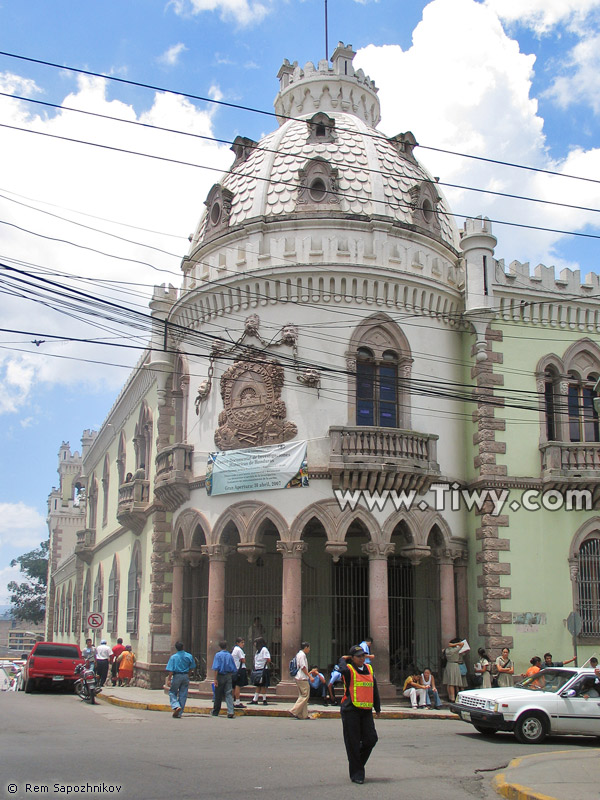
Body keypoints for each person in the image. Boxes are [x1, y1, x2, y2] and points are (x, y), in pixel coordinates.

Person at [338, 645, 381, 785]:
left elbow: (374, 688)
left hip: (366, 710)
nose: (362, 658)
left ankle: (356, 763)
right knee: (353, 742)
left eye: (363, 655)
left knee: (371, 739)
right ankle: (357, 774)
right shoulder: (349, 670)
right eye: (359, 656)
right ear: (352, 658)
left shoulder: (369, 669)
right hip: (351, 710)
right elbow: (342, 668)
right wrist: (343, 659)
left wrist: (378, 707)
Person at [165, 641, 195, 718]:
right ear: (183, 647)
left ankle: (175, 705)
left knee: (172, 692)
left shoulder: (173, 657)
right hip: (185, 676)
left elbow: (171, 670)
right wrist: (188, 674)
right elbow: (192, 667)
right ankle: (180, 712)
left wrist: (169, 679)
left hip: (177, 675)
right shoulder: (189, 656)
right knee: (183, 694)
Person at [211, 640, 237, 718]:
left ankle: (216, 711)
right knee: (228, 693)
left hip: (220, 675)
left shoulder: (218, 655)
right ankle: (230, 711)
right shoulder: (229, 655)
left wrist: (215, 679)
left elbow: (216, 668)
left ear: (220, 647)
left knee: (218, 694)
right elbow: (234, 668)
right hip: (228, 675)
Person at [289, 642, 311, 719]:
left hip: (299, 677)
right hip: (302, 678)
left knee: (302, 696)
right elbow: (303, 667)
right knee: (305, 695)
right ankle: (294, 710)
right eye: (308, 648)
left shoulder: (299, 654)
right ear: (306, 647)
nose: (309, 649)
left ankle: (303, 714)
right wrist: (309, 676)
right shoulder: (302, 655)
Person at [249, 636, 271, 705]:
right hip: (258, 669)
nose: (254, 644)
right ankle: (255, 699)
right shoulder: (257, 651)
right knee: (258, 685)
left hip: (263, 669)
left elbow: (268, 659)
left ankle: (264, 699)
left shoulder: (264, 650)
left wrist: (263, 664)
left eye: (256, 643)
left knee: (263, 685)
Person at [443, 637, 466, 702]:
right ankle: (453, 698)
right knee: (452, 683)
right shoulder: (455, 649)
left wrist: (452, 644)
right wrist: (457, 644)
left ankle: (450, 696)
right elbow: (462, 644)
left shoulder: (447, 650)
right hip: (454, 665)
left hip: (448, 665)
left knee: (449, 682)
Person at [231, 637, 247, 709]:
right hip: (240, 669)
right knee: (238, 686)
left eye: (243, 642)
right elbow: (243, 660)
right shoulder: (239, 650)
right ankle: (237, 701)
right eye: (241, 642)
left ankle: (232, 701)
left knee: (234, 686)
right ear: (237, 643)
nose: (243, 644)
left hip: (235, 669)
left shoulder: (234, 649)